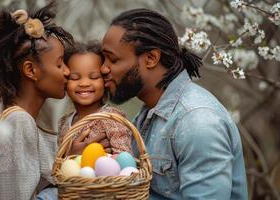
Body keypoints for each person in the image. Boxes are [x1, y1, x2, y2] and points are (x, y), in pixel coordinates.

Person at [100, 8, 248, 199]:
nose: (103, 68)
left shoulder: (197, 122)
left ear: (151, 58)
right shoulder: (149, 113)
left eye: (112, 59)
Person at [0, 3, 74, 199]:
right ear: (31, 71)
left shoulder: (1, 110)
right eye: (59, 63)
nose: (67, 71)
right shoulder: (19, 122)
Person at [58, 42, 132, 154]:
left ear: (105, 81)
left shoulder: (111, 118)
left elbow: (125, 160)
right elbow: (59, 163)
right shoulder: (63, 122)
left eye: (94, 77)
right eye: (74, 78)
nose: (84, 83)